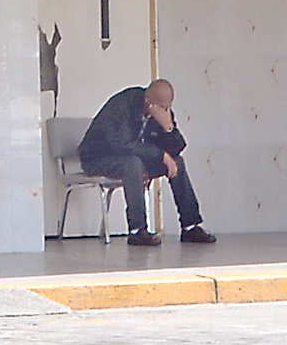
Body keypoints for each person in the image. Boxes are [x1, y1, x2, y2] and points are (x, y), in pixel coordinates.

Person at [78, 77, 215, 247]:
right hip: (98, 158)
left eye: (169, 107)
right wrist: (161, 155)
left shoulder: (162, 111)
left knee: (177, 162)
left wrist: (169, 128)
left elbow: (177, 148)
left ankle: (190, 226)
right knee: (133, 163)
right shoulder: (121, 105)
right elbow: (121, 145)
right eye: (162, 107)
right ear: (148, 100)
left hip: (133, 158)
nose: (166, 111)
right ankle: (137, 230)